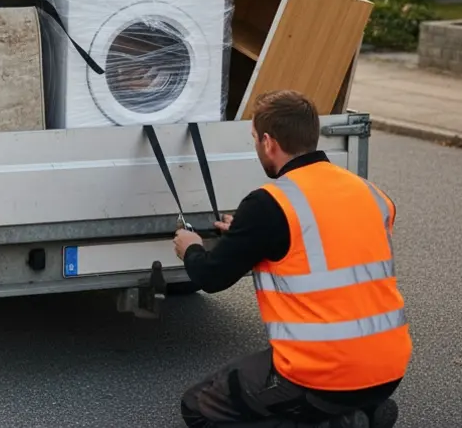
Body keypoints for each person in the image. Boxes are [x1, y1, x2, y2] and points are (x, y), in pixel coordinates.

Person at [173, 90, 409, 428]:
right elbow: (321, 237)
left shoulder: (269, 204)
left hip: (322, 374)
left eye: (255, 139)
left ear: (268, 143)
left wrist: (190, 247)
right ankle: (365, 412)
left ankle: (341, 422)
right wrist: (247, 234)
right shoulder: (370, 193)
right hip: (389, 368)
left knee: (198, 408)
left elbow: (210, 278)